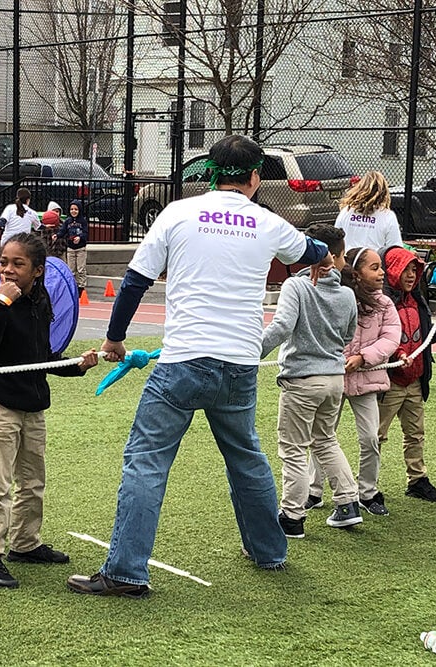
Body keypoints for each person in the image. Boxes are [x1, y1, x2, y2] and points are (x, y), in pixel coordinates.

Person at [67, 135, 333, 598]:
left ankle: (127, 571)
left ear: (210, 172)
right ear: (255, 177)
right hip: (239, 367)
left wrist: (113, 338)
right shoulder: (266, 222)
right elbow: (311, 251)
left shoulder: (176, 213)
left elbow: (134, 281)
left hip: (183, 362)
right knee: (246, 459)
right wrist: (323, 254)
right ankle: (270, 552)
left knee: (146, 462)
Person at [0, 233, 99, 589]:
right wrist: (1, 302)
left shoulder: (41, 305)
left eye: (17, 264)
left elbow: (42, 359)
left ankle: (25, 544)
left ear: (37, 271)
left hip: (32, 406)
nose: (7, 270)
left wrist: (78, 365)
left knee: (33, 480)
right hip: (0, 406)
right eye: (3, 262)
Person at [260, 224, 361, 538]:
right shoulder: (346, 294)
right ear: (336, 256)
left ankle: (292, 516)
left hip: (303, 379)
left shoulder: (296, 286)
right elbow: (348, 335)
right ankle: (348, 504)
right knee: (325, 440)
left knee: (293, 448)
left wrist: (250, 350)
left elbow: (282, 327)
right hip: (333, 378)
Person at [308, 246, 401, 516]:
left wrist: (363, 357)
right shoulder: (338, 296)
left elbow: (391, 337)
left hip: (367, 380)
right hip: (333, 378)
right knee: (322, 436)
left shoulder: (384, 304)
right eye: (374, 267)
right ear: (357, 272)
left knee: (371, 437)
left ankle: (368, 492)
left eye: (381, 266)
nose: (382, 272)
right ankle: (314, 491)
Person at [378, 245, 436, 503]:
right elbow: (375, 339)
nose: (411, 275)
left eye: (415, 269)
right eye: (406, 269)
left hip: (415, 380)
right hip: (389, 382)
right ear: (392, 270)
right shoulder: (382, 304)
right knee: (376, 436)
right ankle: (366, 485)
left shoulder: (418, 301)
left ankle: (417, 480)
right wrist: (395, 357)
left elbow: (425, 339)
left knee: (415, 433)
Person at [334, 171, 403, 251]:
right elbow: (395, 248)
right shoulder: (388, 216)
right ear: (384, 192)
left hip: (347, 260)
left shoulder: (346, 211)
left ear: (359, 187)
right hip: (373, 261)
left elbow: (336, 239)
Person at [57, 200, 89, 296]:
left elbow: (85, 233)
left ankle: (81, 286)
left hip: (80, 248)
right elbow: (63, 231)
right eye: (71, 209)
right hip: (70, 248)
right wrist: (57, 235)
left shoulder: (82, 221)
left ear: (79, 210)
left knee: (80, 268)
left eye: (76, 209)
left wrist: (80, 237)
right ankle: (73, 285)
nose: (73, 211)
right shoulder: (68, 221)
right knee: (71, 269)